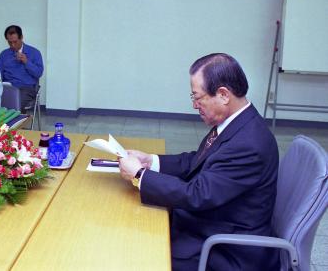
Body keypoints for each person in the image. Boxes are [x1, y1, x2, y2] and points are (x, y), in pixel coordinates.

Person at [118, 53, 279, 270]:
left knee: (136, 253)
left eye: (197, 97)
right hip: (212, 224)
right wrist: (150, 161)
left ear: (223, 94)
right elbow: (198, 160)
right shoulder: (236, 122)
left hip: (226, 249)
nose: (194, 105)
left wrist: (140, 176)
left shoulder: (248, 143)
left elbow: (198, 194)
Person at [0, 25, 43, 112]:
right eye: (10, 42)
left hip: (26, 88)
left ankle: (13, 124)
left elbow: (39, 73)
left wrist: (26, 62)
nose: (13, 45)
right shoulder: (4, 54)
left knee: (15, 103)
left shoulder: (34, 52)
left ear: (21, 37)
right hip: (8, 87)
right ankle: (2, 124)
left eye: (15, 42)